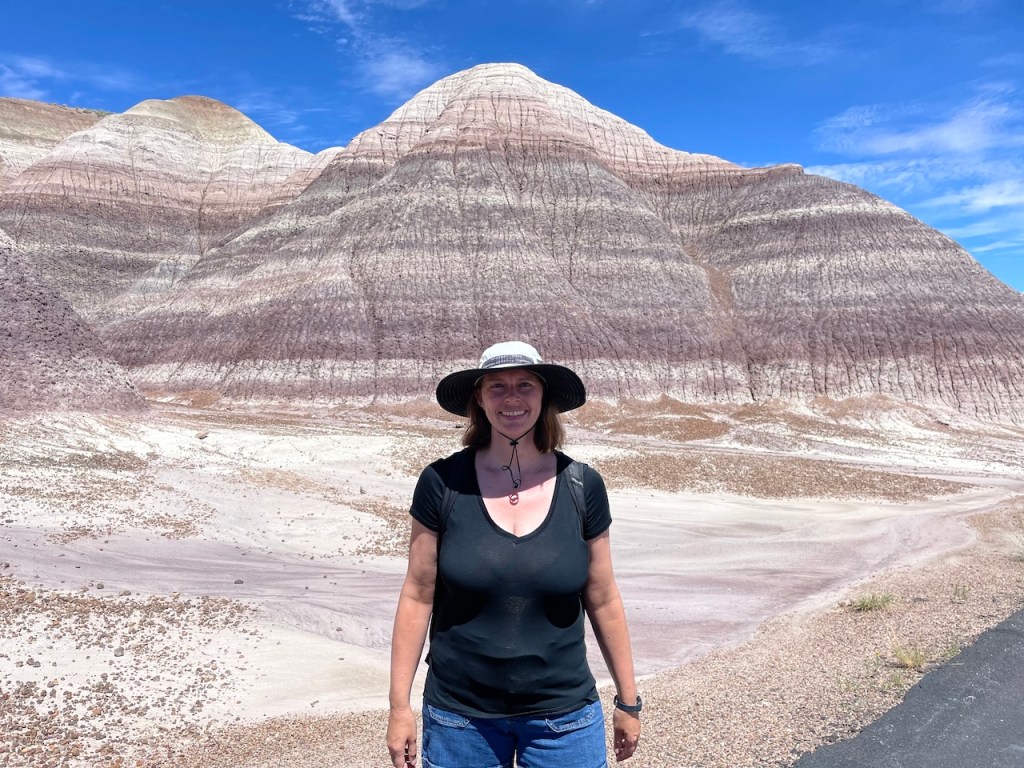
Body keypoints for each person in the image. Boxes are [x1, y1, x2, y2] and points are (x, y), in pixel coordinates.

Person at [387, 340, 641, 768]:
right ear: (479, 400)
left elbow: (603, 597)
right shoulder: (443, 482)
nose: (512, 397)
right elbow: (417, 594)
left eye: (525, 384)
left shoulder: (582, 485)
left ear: (544, 398)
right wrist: (399, 708)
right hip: (459, 720)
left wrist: (628, 702)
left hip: (564, 718)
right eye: (497, 386)